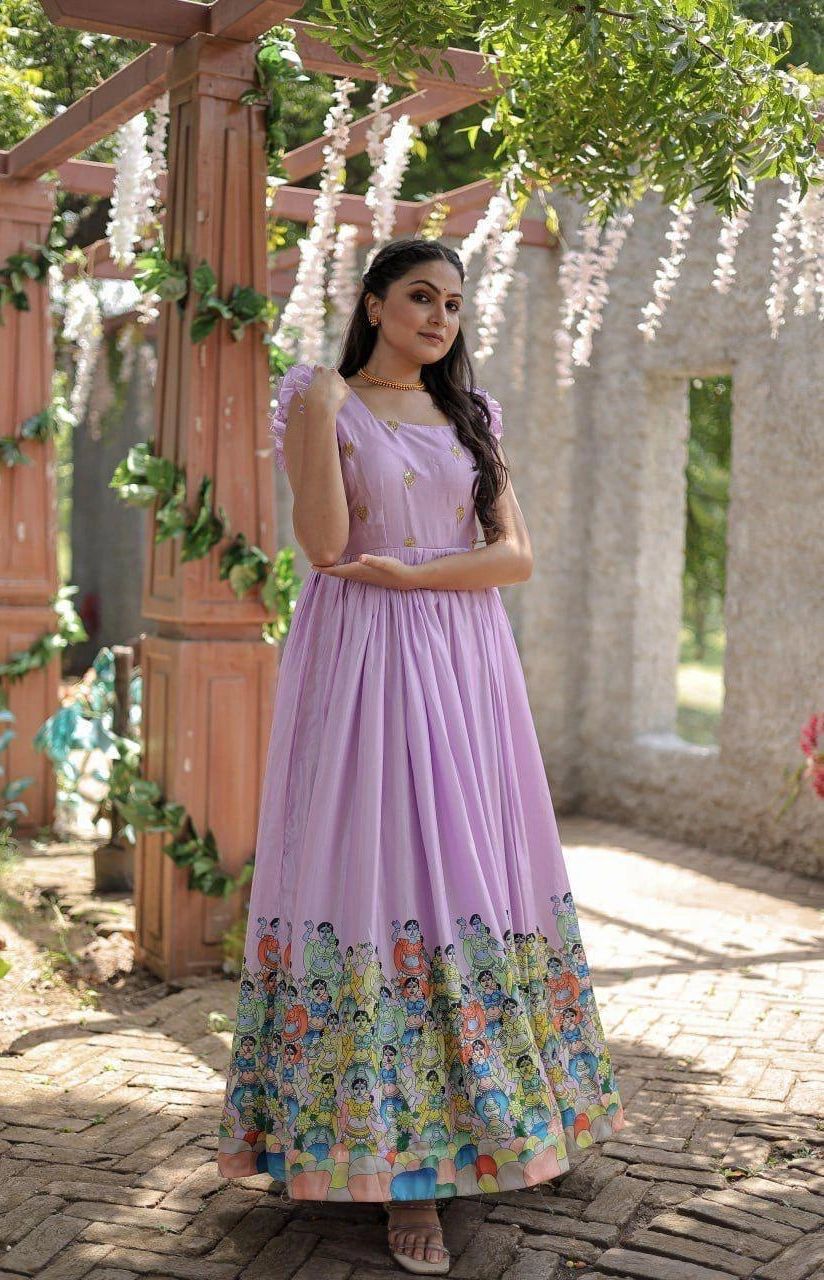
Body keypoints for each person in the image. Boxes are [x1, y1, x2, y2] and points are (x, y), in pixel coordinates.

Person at [217, 237, 627, 1276]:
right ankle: (400, 1172)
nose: (440, 317)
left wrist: (413, 575)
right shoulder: (324, 397)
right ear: (373, 302)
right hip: (361, 657)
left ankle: (494, 1118)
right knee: (380, 871)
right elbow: (320, 544)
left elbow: (515, 554)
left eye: (452, 301)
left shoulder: (471, 415)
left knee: (473, 873)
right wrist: (313, 413)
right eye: (419, 297)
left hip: (462, 653)